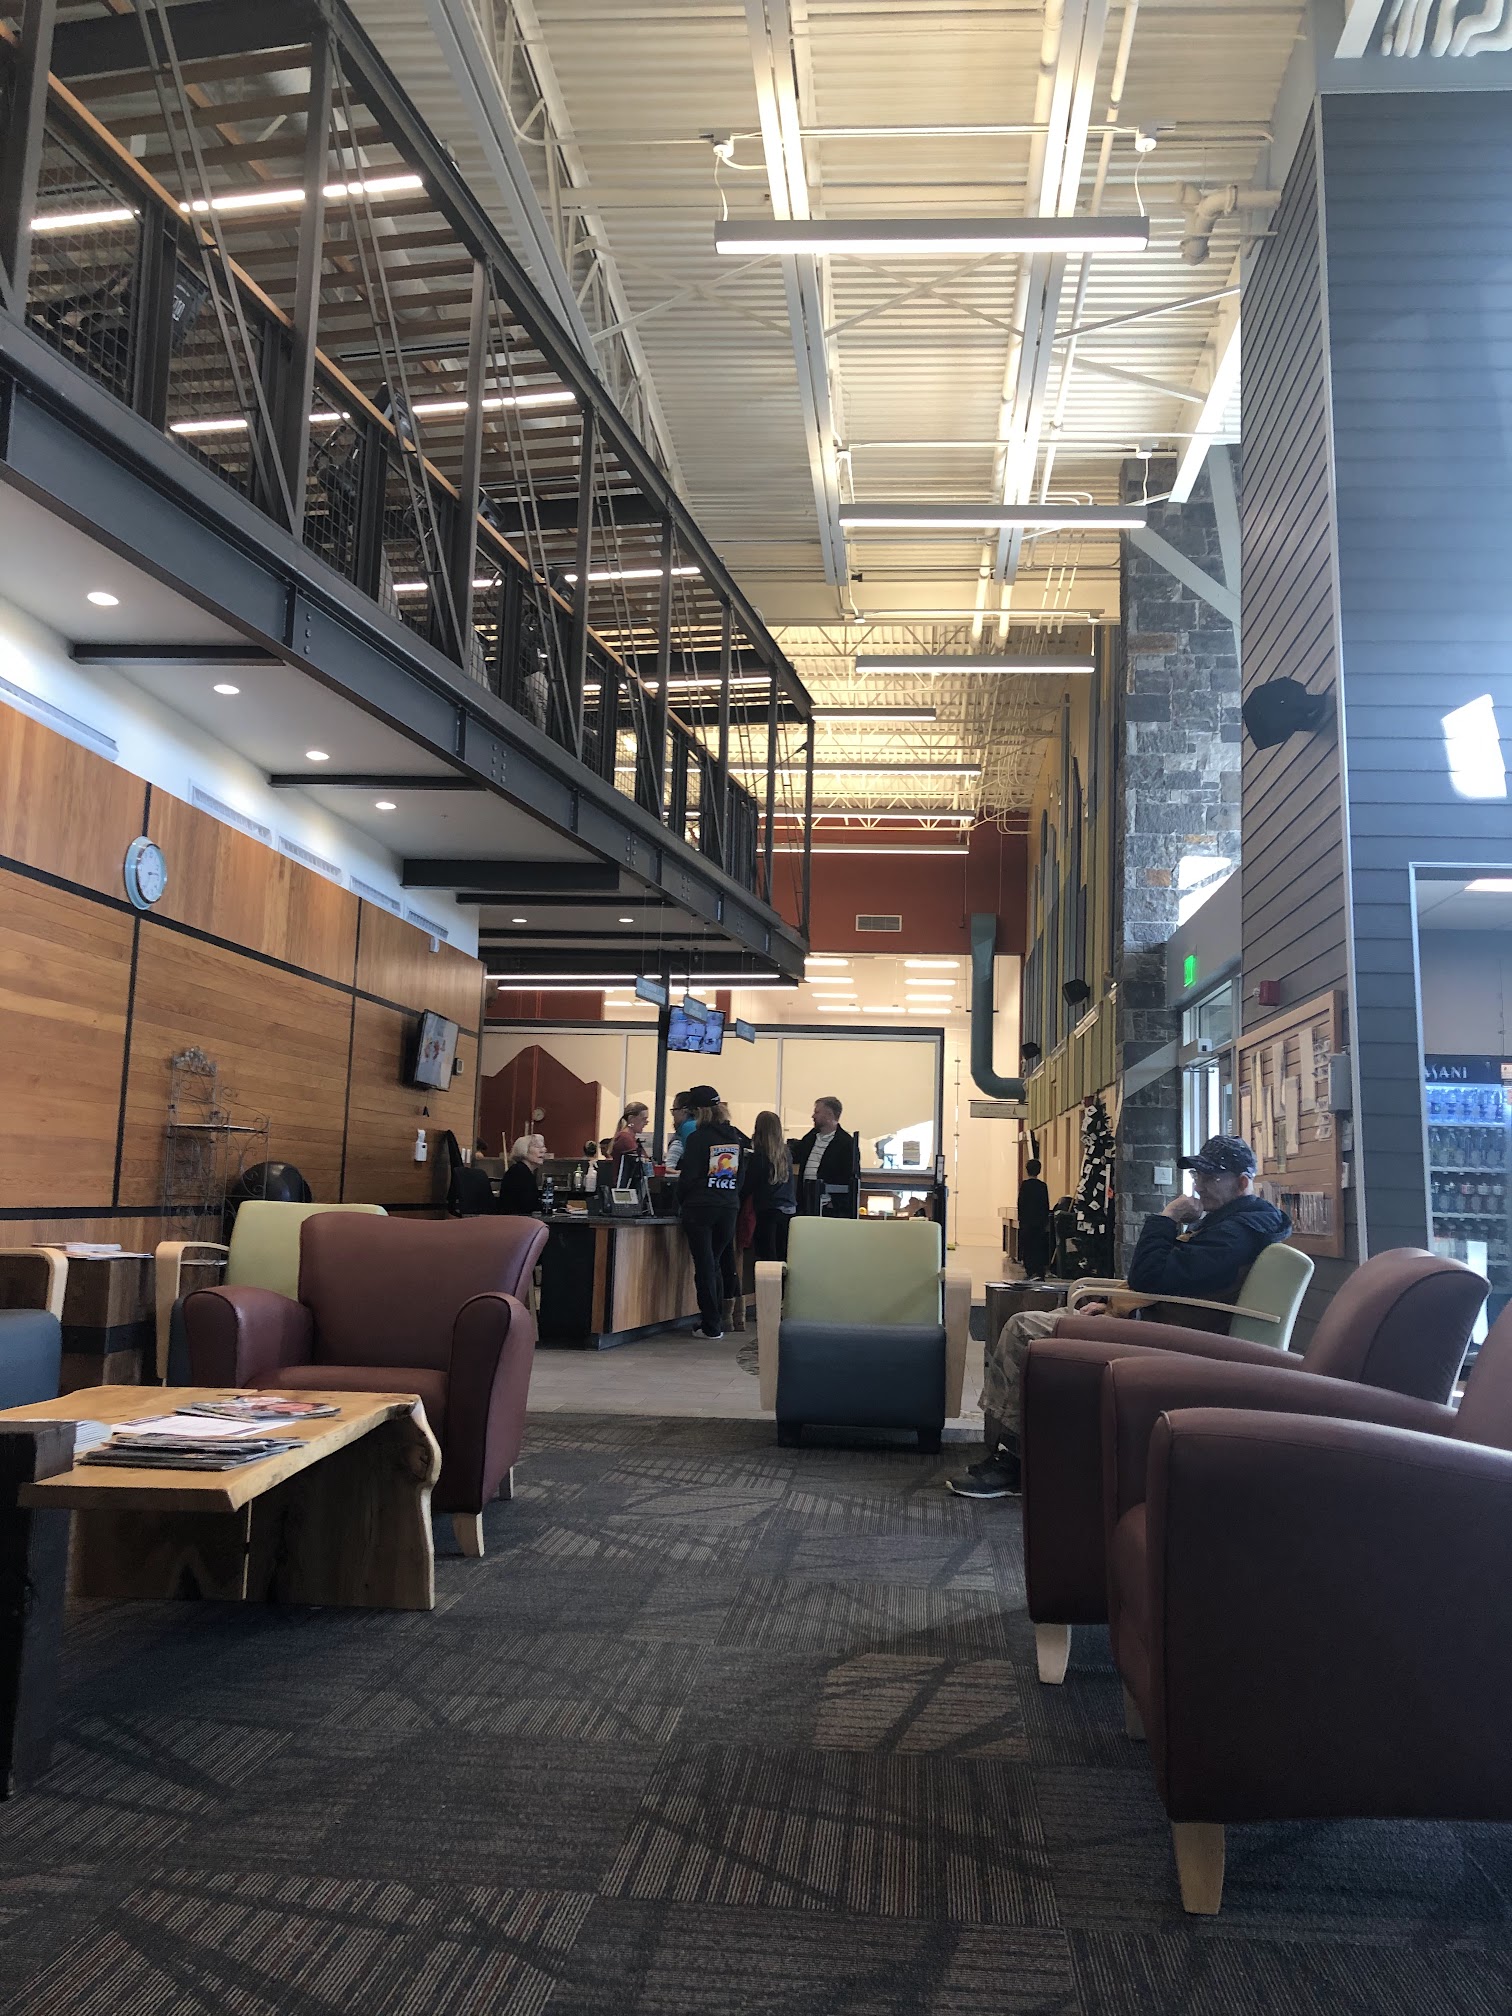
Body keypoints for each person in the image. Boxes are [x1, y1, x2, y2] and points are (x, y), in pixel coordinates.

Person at [948, 1134, 1292, 1501]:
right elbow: (1176, 1284)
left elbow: (1150, 1277)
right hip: (1160, 1321)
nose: (1199, 1185)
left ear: (1242, 1182)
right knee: (1047, 1318)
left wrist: (1167, 1218)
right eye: (1198, 1175)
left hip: (1167, 1336)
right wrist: (1117, 1304)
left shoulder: (1235, 1234)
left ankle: (1014, 1460)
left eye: (1211, 1177)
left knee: (1024, 1329)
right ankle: (1031, 1450)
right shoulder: (1238, 1225)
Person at [677, 1084, 746, 1338]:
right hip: (728, 1207)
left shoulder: (698, 1138)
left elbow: (688, 1177)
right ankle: (717, 1321)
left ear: (699, 1111)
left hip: (700, 1207)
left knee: (705, 1266)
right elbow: (740, 1177)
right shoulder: (735, 1138)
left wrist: (681, 1201)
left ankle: (711, 1324)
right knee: (715, 1262)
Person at [794, 1095, 859, 1218]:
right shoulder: (810, 1138)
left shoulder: (846, 1144)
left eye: (817, 1112)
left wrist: (834, 1202)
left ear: (829, 1114)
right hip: (806, 1204)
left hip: (829, 1209)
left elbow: (848, 1177)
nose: (813, 1116)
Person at [748, 1108, 797, 1262]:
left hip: (767, 1210)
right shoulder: (786, 1153)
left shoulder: (760, 1156)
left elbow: (750, 1184)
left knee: (767, 1258)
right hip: (788, 1209)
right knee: (783, 1256)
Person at [1017, 1158, 1053, 1279]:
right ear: (1039, 1170)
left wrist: (1021, 1220)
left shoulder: (1024, 1185)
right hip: (1039, 1223)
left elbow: (1021, 1204)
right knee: (1038, 1246)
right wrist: (1045, 1221)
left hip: (1027, 1223)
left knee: (1028, 1246)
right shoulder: (1043, 1186)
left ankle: (1030, 1269)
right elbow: (1045, 1205)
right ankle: (1039, 1269)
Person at [497, 1133, 546, 1216]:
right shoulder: (519, 1172)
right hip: (515, 1220)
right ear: (524, 1150)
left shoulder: (523, 1170)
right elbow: (529, 1205)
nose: (543, 1150)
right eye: (537, 1147)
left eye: (543, 1147)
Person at [610, 1102, 649, 1167]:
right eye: (643, 1119)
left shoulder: (628, 1137)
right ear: (631, 1119)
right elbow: (642, 1163)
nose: (646, 1123)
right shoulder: (625, 1138)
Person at [663, 1092, 695, 1171]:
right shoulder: (705, 1128)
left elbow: (668, 1168)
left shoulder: (680, 1138)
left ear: (684, 1110)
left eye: (674, 1109)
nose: (673, 1114)